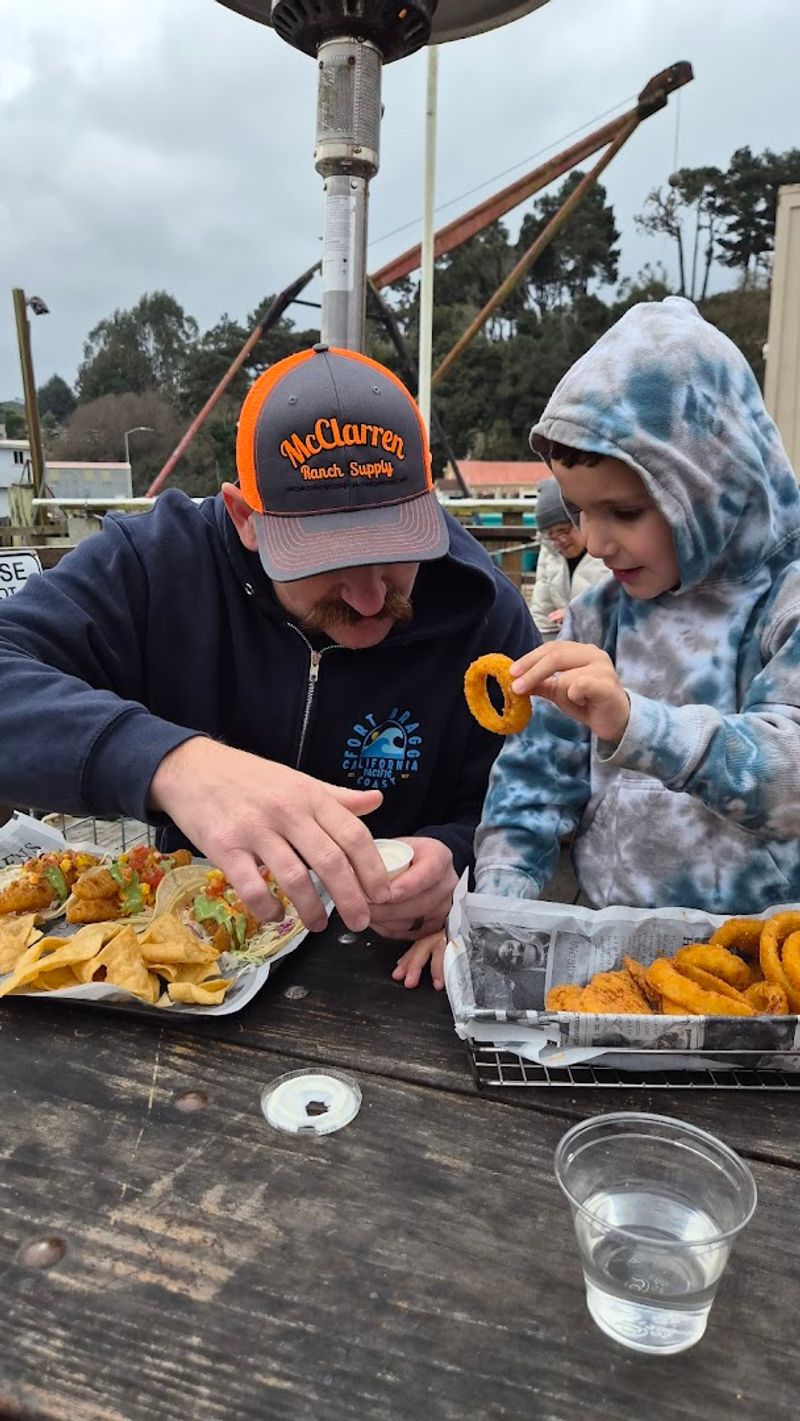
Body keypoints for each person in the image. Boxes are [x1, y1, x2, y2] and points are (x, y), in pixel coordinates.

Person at [0, 344, 536, 987]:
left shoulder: (485, 609)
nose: (373, 599)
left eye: (398, 548)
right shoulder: (156, 567)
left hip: (394, 978)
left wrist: (457, 859)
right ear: (245, 517)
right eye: (327, 557)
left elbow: (532, 793)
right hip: (194, 960)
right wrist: (176, 764)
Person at [475, 296, 800, 914]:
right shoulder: (596, 618)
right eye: (579, 510)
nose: (595, 542)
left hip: (763, 971)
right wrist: (500, 908)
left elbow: (792, 784)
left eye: (623, 512)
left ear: (713, 487)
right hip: (612, 959)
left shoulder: (786, 600)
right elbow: (532, 785)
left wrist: (636, 725)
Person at [528, 476, 607, 640]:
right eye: (551, 535)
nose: (560, 541)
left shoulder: (608, 555)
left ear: (581, 521)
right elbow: (542, 613)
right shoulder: (549, 553)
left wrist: (577, 616)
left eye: (564, 530)